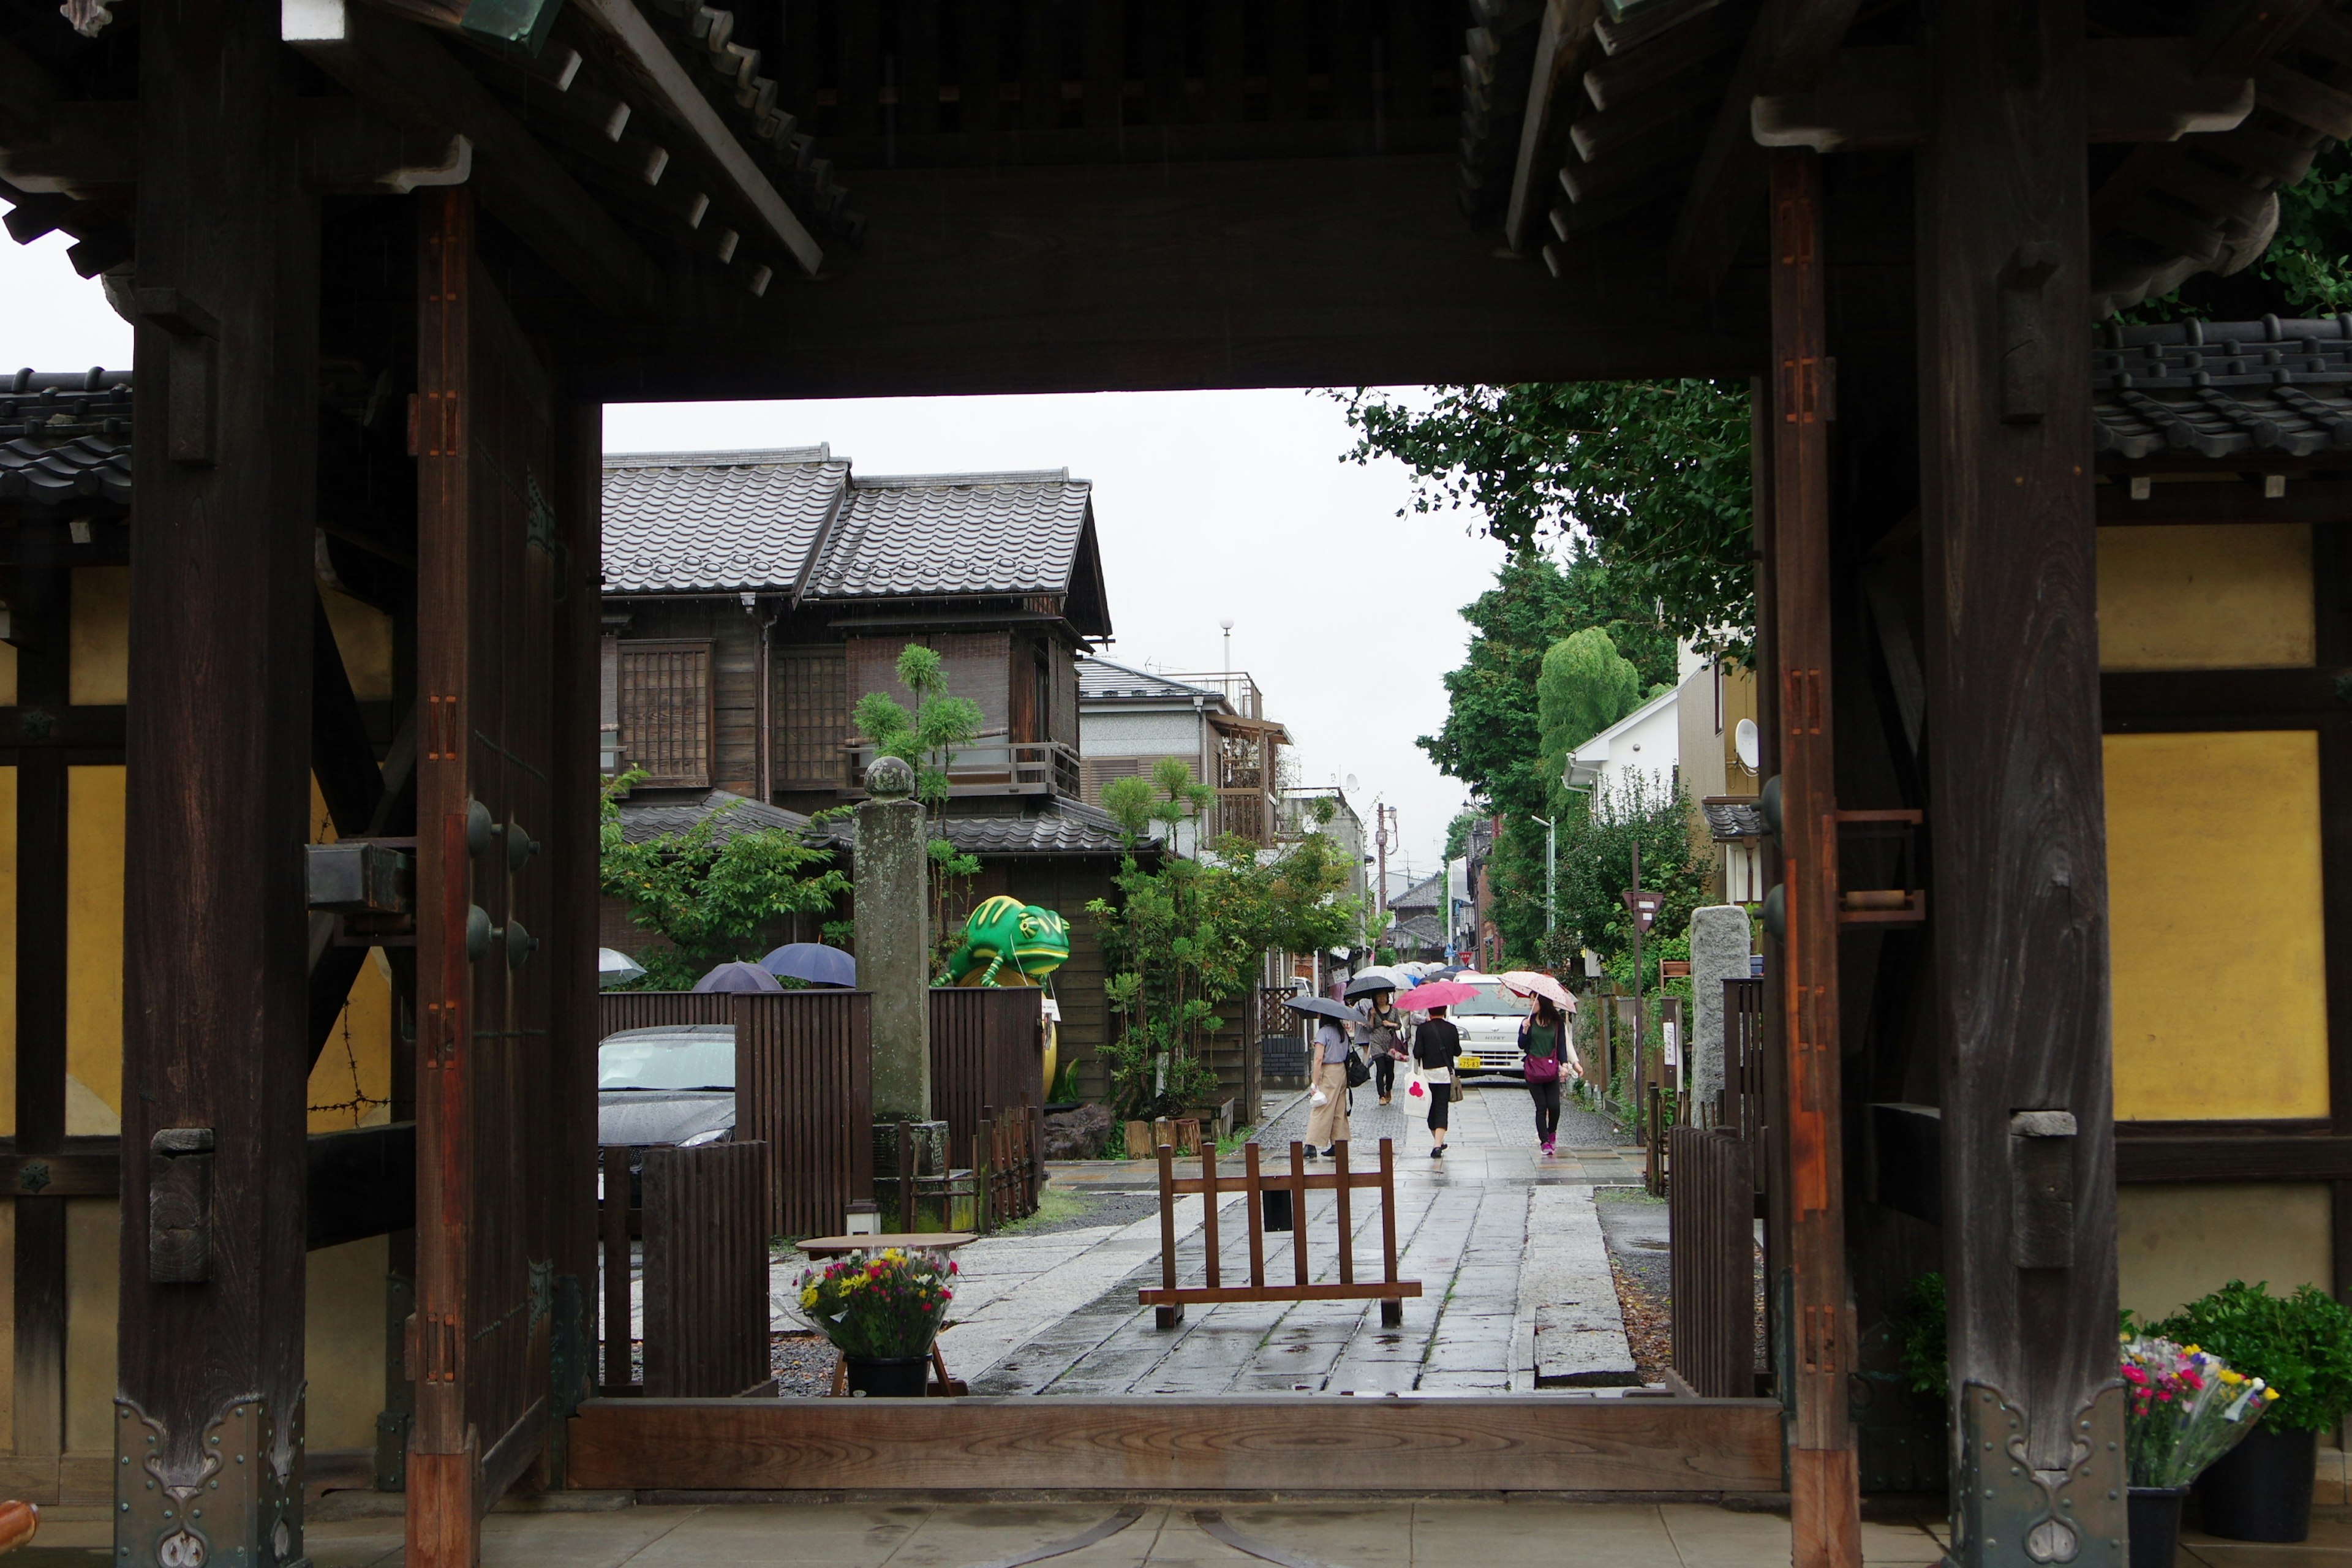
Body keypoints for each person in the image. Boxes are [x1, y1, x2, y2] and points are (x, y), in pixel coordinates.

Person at [1519, 995, 1570, 1156]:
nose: (1531, 1003)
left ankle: (1552, 1132)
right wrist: (1525, 1030)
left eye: (1534, 999)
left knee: (1554, 1105)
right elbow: (1521, 1045)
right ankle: (1545, 1142)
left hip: (1551, 1069)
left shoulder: (1558, 1023)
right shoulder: (1529, 1021)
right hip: (1533, 1069)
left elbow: (1561, 1045)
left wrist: (1565, 1064)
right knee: (1541, 1107)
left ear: (1544, 1002)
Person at [1411, 1004, 1461, 1158]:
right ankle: (1438, 1144)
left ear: (1429, 1011)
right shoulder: (1451, 1028)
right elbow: (1458, 1052)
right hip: (1445, 1075)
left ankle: (1437, 1143)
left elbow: (1417, 1052)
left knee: (1430, 1110)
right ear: (1445, 1010)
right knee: (1441, 1107)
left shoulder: (1423, 1029)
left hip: (1427, 1076)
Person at [1303, 1014, 1354, 1156]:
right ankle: (1339, 1144)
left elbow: (1319, 1058)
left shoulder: (1324, 1032)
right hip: (1342, 1071)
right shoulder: (1342, 1031)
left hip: (1329, 1072)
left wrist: (1314, 1082)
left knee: (1322, 1108)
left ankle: (1311, 1145)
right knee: (1339, 1110)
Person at [1357, 991, 1408, 1104]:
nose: (1381, 999)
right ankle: (1381, 1096)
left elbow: (1399, 1025)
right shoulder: (1373, 1010)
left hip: (1391, 1044)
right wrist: (1373, 1017)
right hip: (1376, 1042)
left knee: (1390, 1072)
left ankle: (1388, 1090)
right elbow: (1370, 1029)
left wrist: (1390, 1024)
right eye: (1378, 996)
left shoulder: (1393, 1009)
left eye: (1383, 996)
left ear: (1387, 997)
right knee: (1381, 1069)